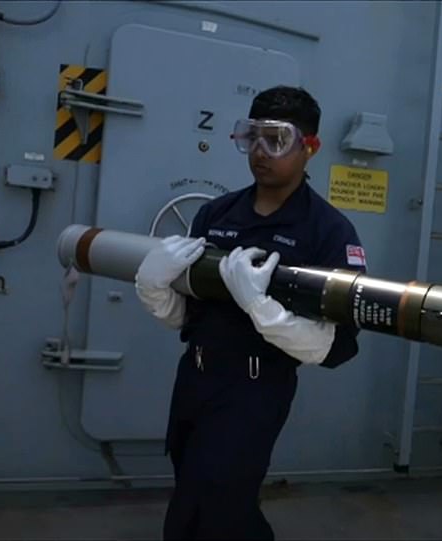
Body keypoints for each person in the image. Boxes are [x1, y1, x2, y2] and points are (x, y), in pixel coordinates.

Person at [133, 86, 367, 540]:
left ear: (310, 148)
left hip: (255, 389)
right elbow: (190, 317)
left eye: (276, 140)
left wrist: (263, 310)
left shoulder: (329, 231)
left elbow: (339, 346)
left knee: (212, 504)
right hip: (196, 379)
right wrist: (155, 290)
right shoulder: (215, 213)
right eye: (252, 137)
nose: (260, 152)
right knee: (199, 490)